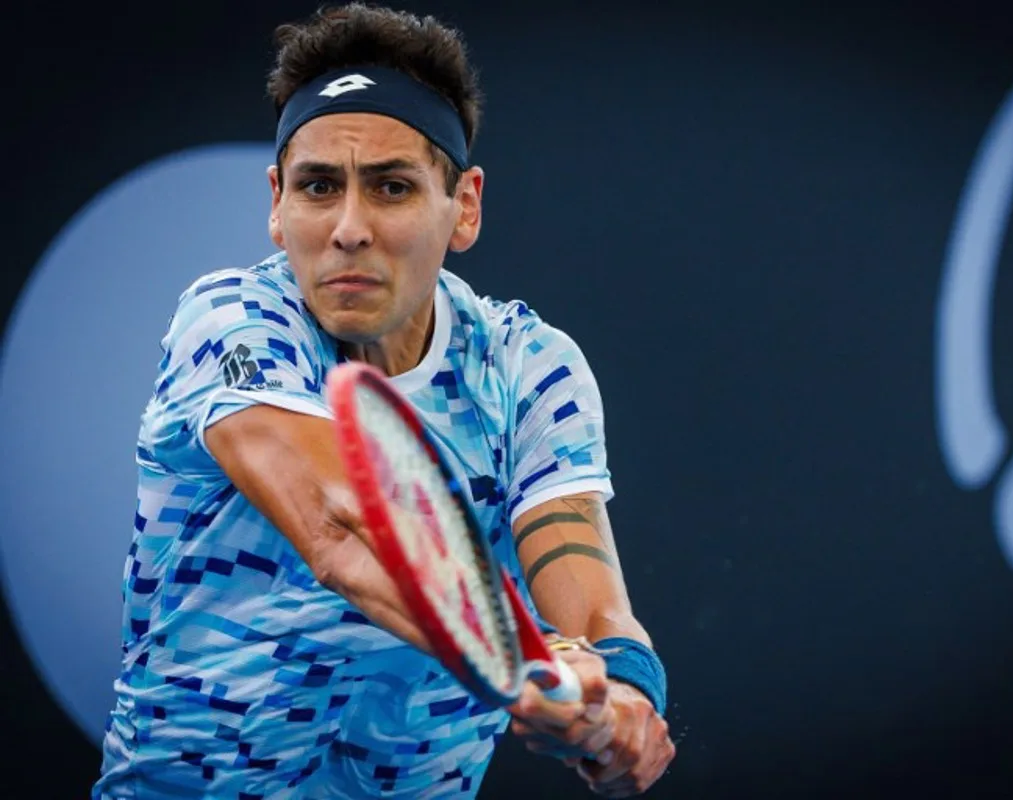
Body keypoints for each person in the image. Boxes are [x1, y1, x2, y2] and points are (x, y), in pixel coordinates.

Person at [92, 3, 674, 798]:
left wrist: (622, 696)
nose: (348, 228)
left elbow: (591, 595)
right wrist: (524, 661)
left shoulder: (529, 366)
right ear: (276, 202)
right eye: (319, 187)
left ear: (463, 205)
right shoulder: (232, 322)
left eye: (392, 187)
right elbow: (339, 526)